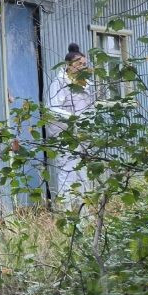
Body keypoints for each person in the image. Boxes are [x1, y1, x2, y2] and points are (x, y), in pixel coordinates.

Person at [47, 43, 94, 206]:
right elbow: (52, 108)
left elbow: (89, 108)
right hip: (64, 134)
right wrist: (73, 118)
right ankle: (65, 212)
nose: (82, 67)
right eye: (79, 63)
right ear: (69, 64)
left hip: (82, 134)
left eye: (84, 64)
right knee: (67, 172)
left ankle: (84, 212)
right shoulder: (59, 82)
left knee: (83, 173)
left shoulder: (85, 83)